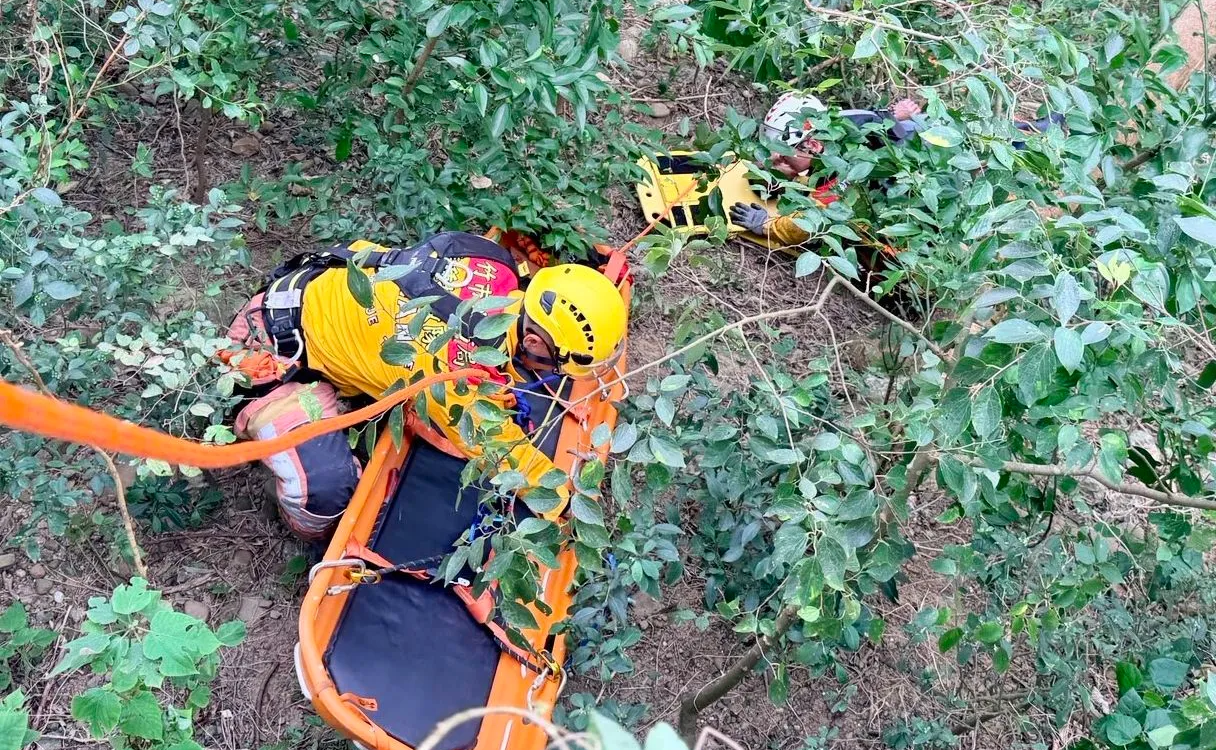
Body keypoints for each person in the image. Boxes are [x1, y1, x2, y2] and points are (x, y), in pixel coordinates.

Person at [220, 232, 628, 538]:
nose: (551, 375)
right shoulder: (454, 374)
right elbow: (506, 455)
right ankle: (303, 525)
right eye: (554, 364)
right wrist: (567, 504)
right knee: (324, 488)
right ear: (535, 341)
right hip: (267, 353)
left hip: (315, 288)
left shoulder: (497, 264)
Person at [728, 93, 927, 247]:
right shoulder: (838, 125)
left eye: (784, 156)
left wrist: (765, 225)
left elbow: (809, 224)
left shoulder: (848, 168)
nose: (778, 160)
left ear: (812, 145)